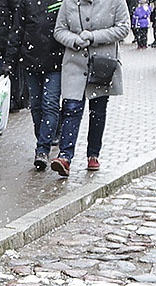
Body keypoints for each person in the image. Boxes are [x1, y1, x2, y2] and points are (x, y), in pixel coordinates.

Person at [50, 0, 130, 176]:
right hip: (75, 64)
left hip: (102, 64)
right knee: (71, 108)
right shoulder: (68, 3)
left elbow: (123, 28)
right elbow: (59, 30)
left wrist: (94, 37)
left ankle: (93, 154)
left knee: (98, 111)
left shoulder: (116, 2)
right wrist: (74, 40)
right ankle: (65, 157)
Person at [12, 0, 65, 170]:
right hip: (31, 61)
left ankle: (42, 148)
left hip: (54, 63)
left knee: (49, 104)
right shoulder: (26, 3)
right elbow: (17, 30)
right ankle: (44, 139)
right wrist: (9, 60)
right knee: (36, 106)